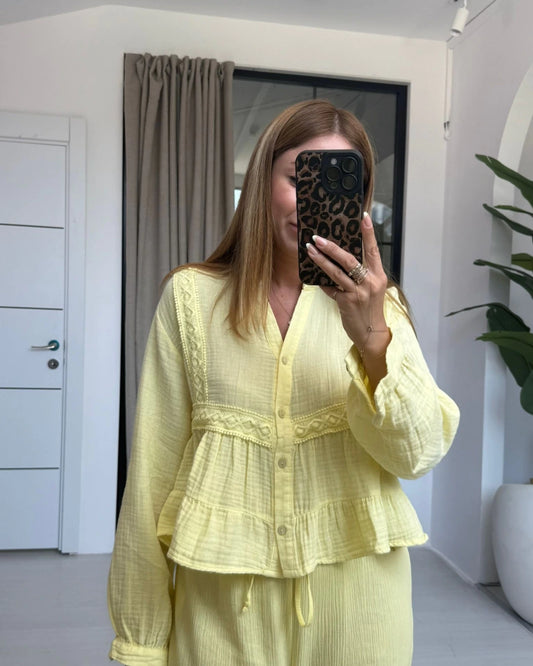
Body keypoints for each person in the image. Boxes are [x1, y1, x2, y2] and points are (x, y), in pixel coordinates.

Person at [108, 99, 460, 666]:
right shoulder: (191, 299)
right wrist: (141, 641)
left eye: (338, 184)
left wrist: (372, 337)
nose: (312, 201)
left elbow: (418, 453)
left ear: (360, 201)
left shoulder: (382, 307)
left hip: (359, 610)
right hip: (223, 612)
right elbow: (150, 476)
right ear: (261, 182)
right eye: (299, 179)